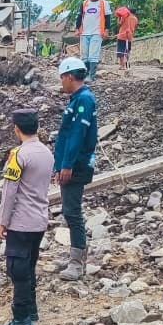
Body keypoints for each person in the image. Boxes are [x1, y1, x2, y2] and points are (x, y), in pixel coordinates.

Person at [0, 108, 54, 325]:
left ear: (16, 129)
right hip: (39, 220)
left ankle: (21, 319)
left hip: (20, 221)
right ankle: (31, 309)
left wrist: (2, 221)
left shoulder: (18, 155)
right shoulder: (47, 153)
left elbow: (10, 192)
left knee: (17, 269)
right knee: (29, 265)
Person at [52, 56, 98, 281]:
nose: (61, 82)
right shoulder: (77, 99)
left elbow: (77, 135)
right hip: (69, 163)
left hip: (77, 165)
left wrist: (67, 164)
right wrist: (58, 164)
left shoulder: (84, 100)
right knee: (69, 211)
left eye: (62, 78)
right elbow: (65, 136)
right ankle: (74, 254)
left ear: (69, 76)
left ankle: (77, 262)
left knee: (72, 211)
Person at [74, 0, 110, 81]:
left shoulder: (104, 3)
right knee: (84, 55)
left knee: (93, 54)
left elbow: (107, 18)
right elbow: (79, 17)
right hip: (84, 32)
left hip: (97, 32)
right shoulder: (84, 3)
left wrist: (106, 30)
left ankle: (91, 75)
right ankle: (84, 75)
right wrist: (77, 29)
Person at [115, 6, 139, 72]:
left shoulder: (125, 17)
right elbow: (135, 27)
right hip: (129, 37)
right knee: (127, 51)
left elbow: (119, 24)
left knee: (121, 51)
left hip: (122, 36)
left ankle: (122, 65)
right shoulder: (135, 19)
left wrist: (119, 17)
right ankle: (127, 64)